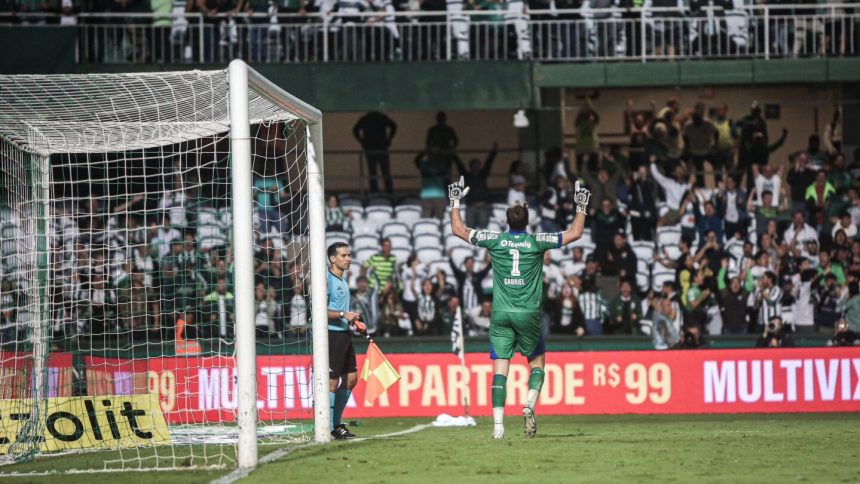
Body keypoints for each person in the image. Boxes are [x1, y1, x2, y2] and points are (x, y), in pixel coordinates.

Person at [448, 173, 590, 439]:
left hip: (500, 314)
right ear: (528, 222)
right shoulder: (536, 242)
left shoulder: (496, 240)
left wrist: (455, 201)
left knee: (500, 369)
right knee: (537, 365)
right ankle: (528, 405)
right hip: (528, 314)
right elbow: (575, 233)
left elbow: (459, 230)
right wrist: (580, 206)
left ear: (506, 222)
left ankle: (498, 427)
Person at [325, 242, 367, 440]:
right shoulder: (326, 279)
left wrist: (353, 321)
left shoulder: (342, 280)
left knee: (351, 379)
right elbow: (318, 311)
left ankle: (336, 424)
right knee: (332, 382)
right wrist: (344, 313)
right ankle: (329, 426)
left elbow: (342, 313)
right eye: (343, 255)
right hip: (330, 335)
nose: (348, 258)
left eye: (349, 255)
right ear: (333, 258)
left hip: (344, 334)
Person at [453, 143, 498, 228]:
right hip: (471, 206)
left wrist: (493, 153)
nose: (475, 167)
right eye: (474, 165)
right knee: (470, 229)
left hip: (483, 206)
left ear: (480, 166)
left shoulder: (483, 174)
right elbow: (460, 165)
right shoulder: (466, 176)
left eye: (477, 165)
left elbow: (488, 163)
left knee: (483, 229)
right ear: (470, 167)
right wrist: (454, 155)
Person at [353, 111, 397, 194]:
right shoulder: (378, 117)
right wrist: (389, 139)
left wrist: (363, 142)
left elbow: (355, 130)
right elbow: (355, 130)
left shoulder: (367, 118)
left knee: (376, 171)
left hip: (375, 148)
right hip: (377, 148)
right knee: (382, 171)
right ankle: (385, 192)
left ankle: (378, 192)